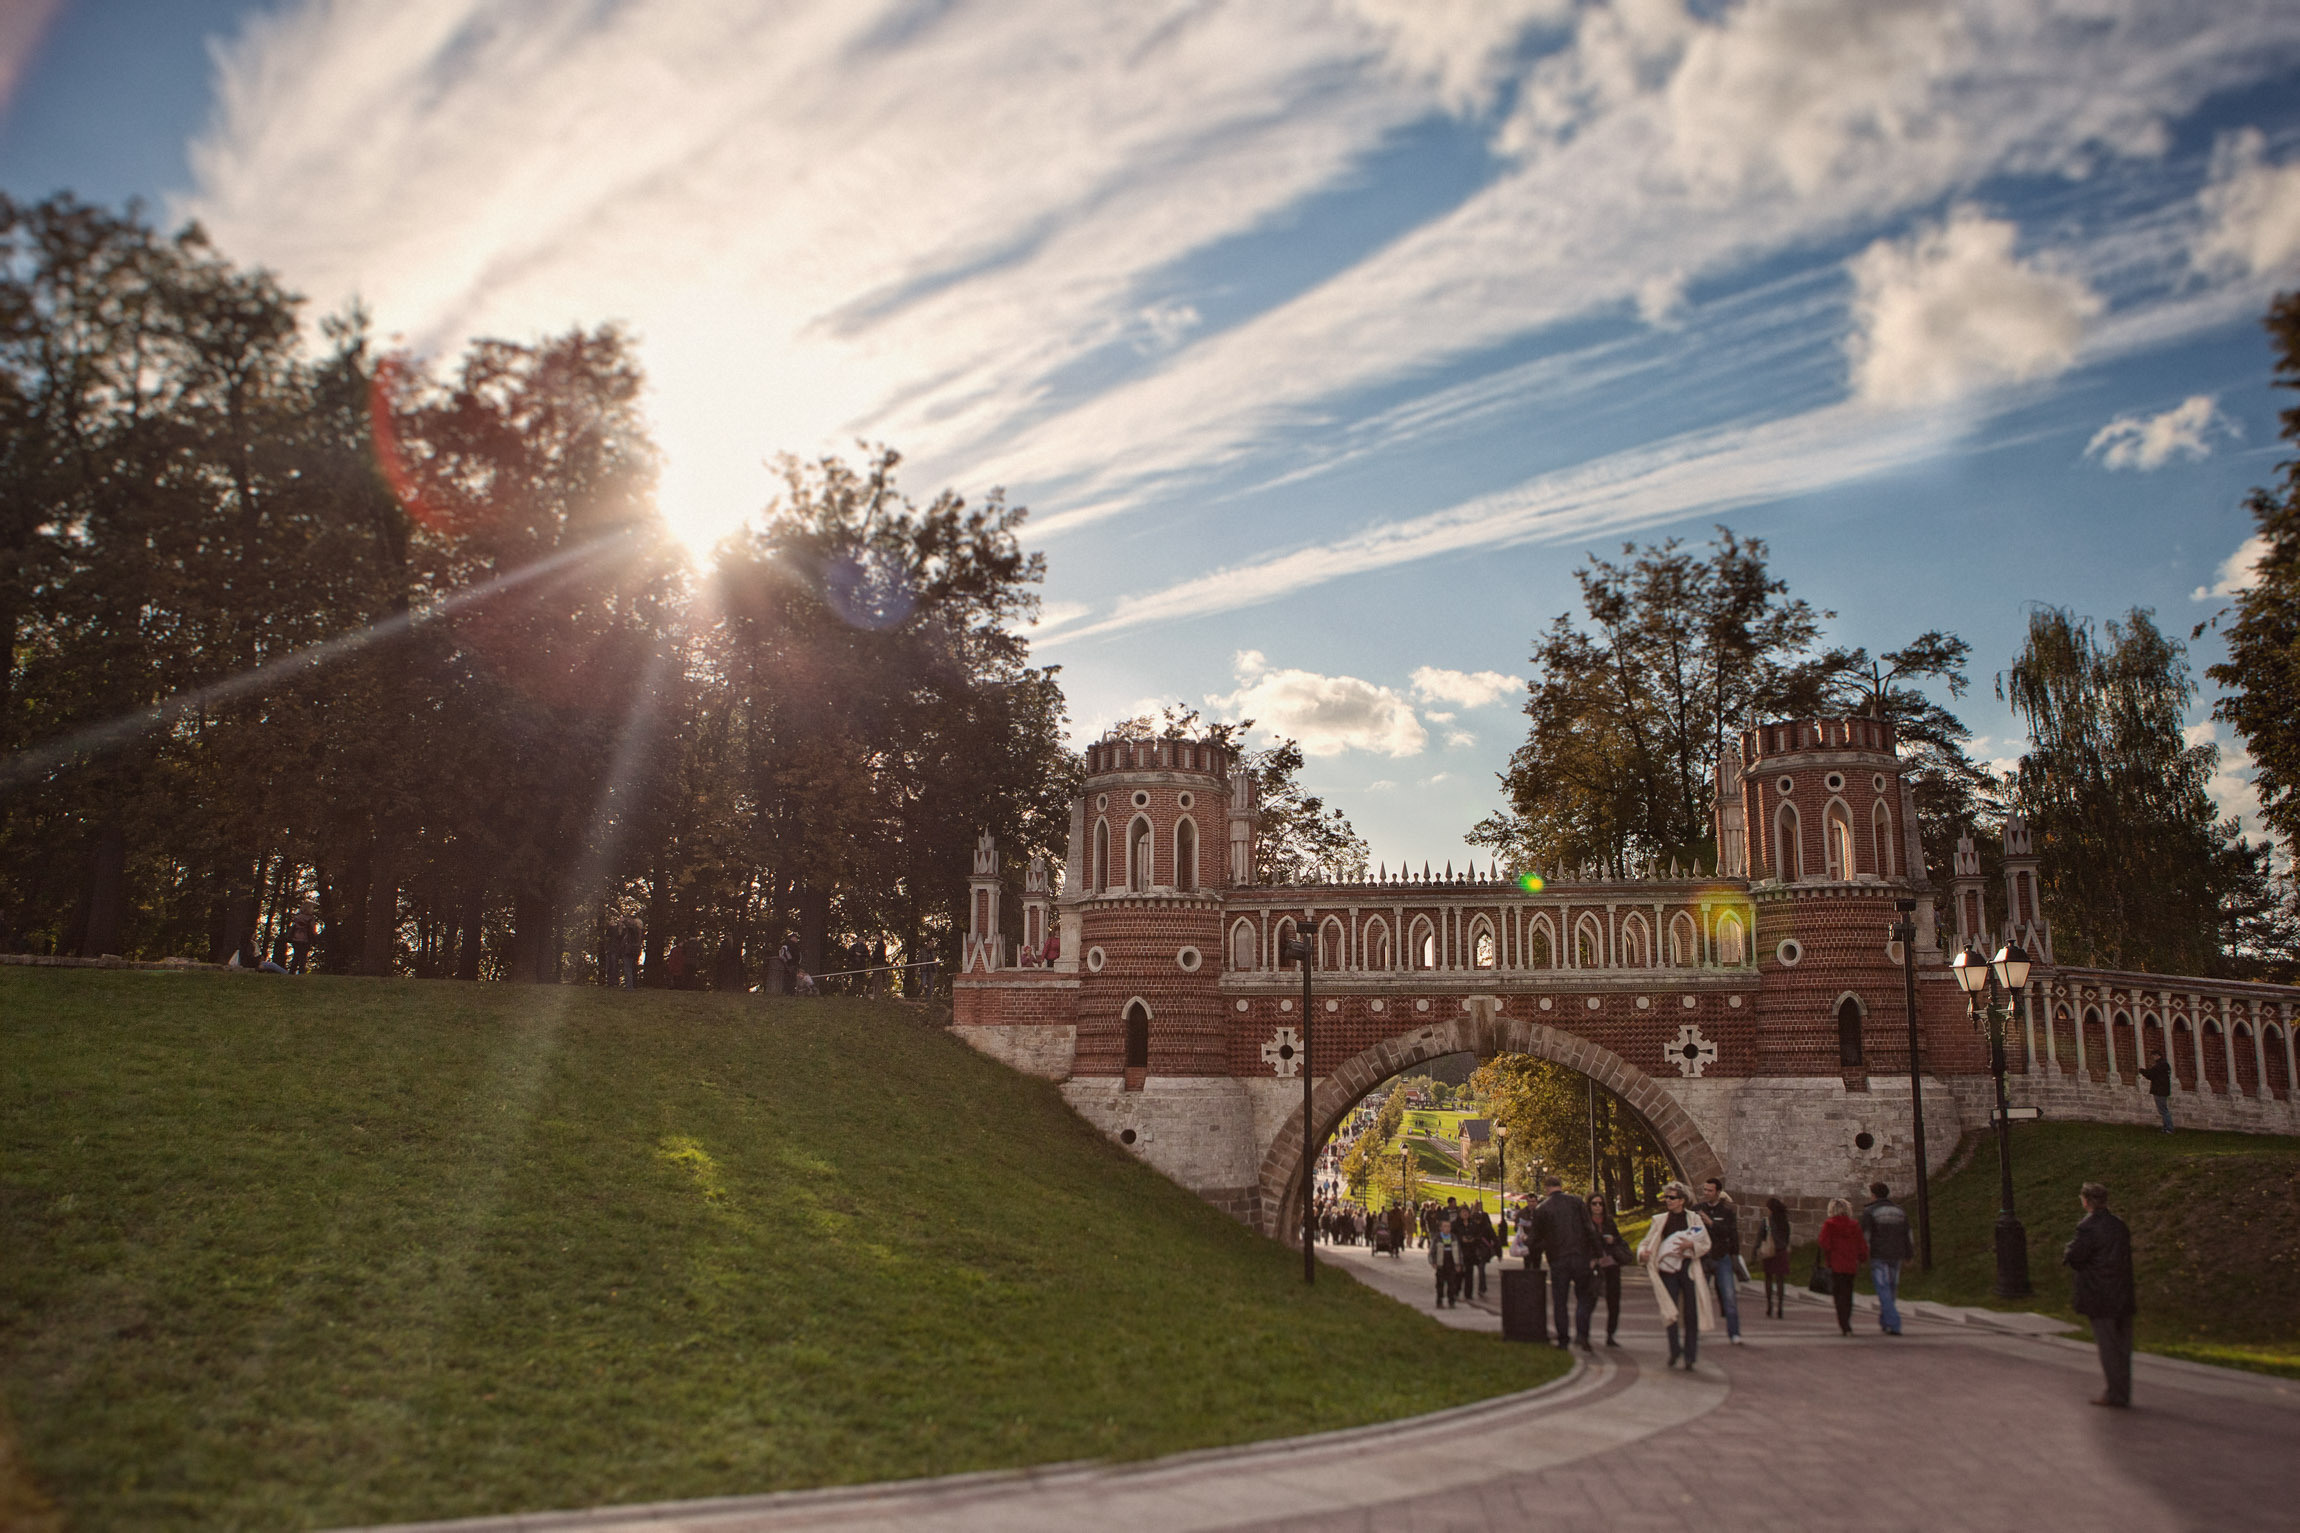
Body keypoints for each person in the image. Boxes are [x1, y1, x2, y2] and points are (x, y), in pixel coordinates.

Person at [2064, 1181, 2136, 1407]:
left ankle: (2115, 1395)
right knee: (2122, 1347)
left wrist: (2067, 1250)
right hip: (2123, 1293)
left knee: (2108, 1347)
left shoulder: (2088, 1227)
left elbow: (2075, 1256)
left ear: (2086, 1201)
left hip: (2100, 1294)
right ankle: (2122, 1392)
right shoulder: (2119, 1225)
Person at [1637, 1182, 1715, 1369]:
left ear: (1682, 1200)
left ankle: (1690, 1356)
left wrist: (1691, 1246)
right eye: (1666, 1197)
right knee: (1669, 1311)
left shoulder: (1694, 1219)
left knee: (1691, 1313)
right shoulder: (1660, 1220)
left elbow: (1705, 1242)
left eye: (1672, 1198)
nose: (1668, 1201)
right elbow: (1646, 1243)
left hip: (1688, 1270)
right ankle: (1674, 1350)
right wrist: (1643, 1253)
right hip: (1667, 1272)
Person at [1530, 1175, 1597, 1350]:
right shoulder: (1576, 1202)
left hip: (1558, 1260)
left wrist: (1535, 1245)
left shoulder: (1542, 1208)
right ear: (1561, 1185)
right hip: (1580, 1258)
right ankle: (1582, 1335)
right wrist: (1596, 1255)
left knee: (1560, 1302)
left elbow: (1534, 1240)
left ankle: (1563, 1339)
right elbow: (1590, 1229)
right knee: (1583, 1298)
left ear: (1546, 1188)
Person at [1859, 1182, 1914, 1335]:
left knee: (1883, 1288)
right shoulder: (1900, 1211)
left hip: (1879, 1255)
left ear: (1874, 1195)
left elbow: (1866, 1237)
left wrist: (1863, 1256)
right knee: (1891, 1288)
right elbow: (1907, 1234)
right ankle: (1885, 1322)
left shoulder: (1870, 1211)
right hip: (1896, 1254)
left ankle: (1894, 1323)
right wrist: (1909, 1254)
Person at [1696, 1178, 1744, 1345]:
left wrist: (1711, 1223)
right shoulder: (1697, 1210)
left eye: (1710, 1190)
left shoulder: (1726, 1212)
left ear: (1717, 1192)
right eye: (1705, 1190)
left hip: (1721, 1258)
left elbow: (1730, 1234)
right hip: (1702, 1258)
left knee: (1729, 1297)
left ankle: (1734, 1333)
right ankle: (1694, 1330)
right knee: (1699, 1296)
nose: (1706, 1193)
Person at [1818, 1197, 1869, 1336]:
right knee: (1848, 1293)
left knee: (1838, 1294)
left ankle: (1844, 1323)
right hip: (1851, 1264)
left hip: (1835, 1264)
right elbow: (1861, 1244)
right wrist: (1863, 1258)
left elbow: (1824, 1243)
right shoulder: (1854, 1225)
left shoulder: (1829, 1224)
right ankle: (1847, 1321)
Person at [1586, 1195, 1632, 1346]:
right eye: (1594, 1204)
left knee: (1614, 1302)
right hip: (1594, 1266)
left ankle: (1610, 1334)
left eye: (1600, 1204)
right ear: (1589, 1206)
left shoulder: (1609, 1222)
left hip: (1611, 1266)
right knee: (1589, 1301)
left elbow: (1619, 1239)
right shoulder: (1585, 1223)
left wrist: (1613, 1240)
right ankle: (1584, 1334)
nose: (1598, 1207)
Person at [1755, 1197, 1794, 1318]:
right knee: (1780, 1280)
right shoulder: (1784, 1221)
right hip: (1781, 1251)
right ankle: (1780, 1306)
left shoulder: (1766, 1221)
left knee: (1768, 1278)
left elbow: (1760, 1237)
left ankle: (1769, 1304)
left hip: (1769, 1252)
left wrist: (1755, 1250)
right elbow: (1787, 1236)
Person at [1428, 1216, 1464, 1308]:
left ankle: (1451, 1301)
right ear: (1440, 1228)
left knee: (1452, 1283)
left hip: (1451, 1264)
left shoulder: (1453, 1238)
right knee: (1440, 1284)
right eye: (1445, 1226)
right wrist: (1433, 1262)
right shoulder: (1437, 1238)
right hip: (1441, 1264)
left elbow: (1459, 1251)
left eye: (1448, 1226)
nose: (1447, 1228)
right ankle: (1439, 1301)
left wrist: (1459, 1263)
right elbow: (1432, 1252)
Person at [2141, 1052, 2174, 1133]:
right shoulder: (2165, 1065)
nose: (2153, 1058)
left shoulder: (2160, 1065)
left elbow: (2150, 1074)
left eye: (2153, 1056)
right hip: (2163, 1090)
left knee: (2163, 1110)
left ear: (2157, 1055)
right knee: (2163, 1110)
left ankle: (2169, 1128)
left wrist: (2142, 1071)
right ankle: (2166, 1127)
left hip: (2159, 1090)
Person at [286, 901, 319, 974]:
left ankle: (292, 971)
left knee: (296, 956)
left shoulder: (297, 917)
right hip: (305, 940)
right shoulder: (311, 918)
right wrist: (315, 938)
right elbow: (312, 930)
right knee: (303, 957)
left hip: (295, 939)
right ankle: (301, 972)